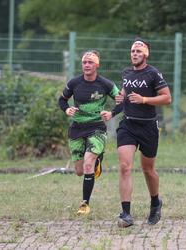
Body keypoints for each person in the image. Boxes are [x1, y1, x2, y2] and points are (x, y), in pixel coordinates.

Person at [115, 38, 172, 227]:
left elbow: (167, 98)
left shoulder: (153, 73)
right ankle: (126, 214)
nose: (135, 54)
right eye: (132, 51)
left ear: (146, 54)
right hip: (128, 125)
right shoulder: (126, 72)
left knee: (148, 169)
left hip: (148, 126)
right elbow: (124, 95)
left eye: (139, 51)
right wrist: (119, 100)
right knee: (124, 166)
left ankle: (155, 203)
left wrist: (144, 100)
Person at [58, 50, 121, 215]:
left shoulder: (106, 84)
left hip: (97, 128)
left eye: (90, 62)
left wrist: (112, 113)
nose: (87, 65)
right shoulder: (74, 83)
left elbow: (123, 100)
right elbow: (62, 100)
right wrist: (67, 110)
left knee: (88, 164)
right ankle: (97, 161)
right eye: (84, 62)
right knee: (80, 171)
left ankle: (85, 204)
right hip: (77, 128)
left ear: (97, 65)